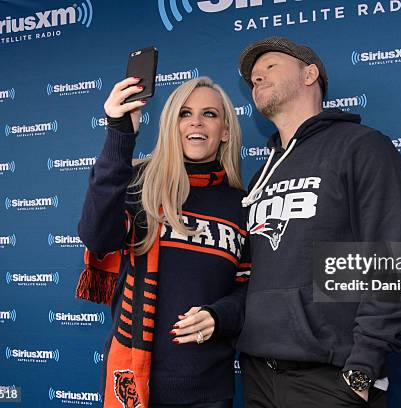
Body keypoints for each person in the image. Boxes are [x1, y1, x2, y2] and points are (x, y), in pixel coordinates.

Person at [236, 37, 401, 407]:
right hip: (258, 375)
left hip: (329, 379)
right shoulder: (260, 176)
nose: (257, 77)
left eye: (270, 66)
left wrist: (362, 370)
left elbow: (396, 262)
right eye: (253, 78)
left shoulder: (361, 147)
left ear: (310, 74)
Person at [76, 76, 250, 408]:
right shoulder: (140, 186)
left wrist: (219, 315)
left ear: (225, 131)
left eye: (210, 114)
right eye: (185, 113)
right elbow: (97, 235)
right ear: (172, 126)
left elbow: (250, 288)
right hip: (134, 384)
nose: (197, 121)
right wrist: (120, 135)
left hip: (209, 390)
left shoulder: (242, 205)